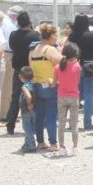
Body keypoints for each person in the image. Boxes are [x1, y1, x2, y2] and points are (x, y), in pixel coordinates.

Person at [5, 12, 40, 134]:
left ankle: (10, 125)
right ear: (29, 22)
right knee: (33, 97)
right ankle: (34, 126)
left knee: (15, 98)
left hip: (18, 70)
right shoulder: (35, 35)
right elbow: (36, 48)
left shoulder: (13, 35)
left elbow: (10, 46)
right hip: (31, 70)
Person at [69, 14, 93, 133]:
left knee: (74, 95)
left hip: (74, 67)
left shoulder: (72, 37)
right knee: (89, 95)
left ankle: (72, 122)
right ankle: (87, 123)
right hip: (90, 67)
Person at [29, 23, 62, 151]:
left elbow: (30, 66)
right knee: (51, 116)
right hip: (49, 85)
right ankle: (53, 143)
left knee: (39, 116)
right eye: (55, 35)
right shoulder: (50, 49)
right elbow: (63, 62)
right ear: (51, 36)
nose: (56, 38)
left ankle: (41, 142)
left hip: (36, 84)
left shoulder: (33, 49)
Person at [56, 42, 82, 156]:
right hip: (74, 96)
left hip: (61, 96)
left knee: (61, 123)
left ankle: (61, 148)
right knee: (74, 123)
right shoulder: (77, 67)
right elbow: (77, 81)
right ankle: (75, 147)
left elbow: (55, 82)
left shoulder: (57, 67)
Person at [0, 5, 23, 121]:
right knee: (7, 86)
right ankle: (5, 113)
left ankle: (8, 111)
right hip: (8, 54)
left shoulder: (5, 23)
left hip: (6, 53)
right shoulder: (9, 26)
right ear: (15, 16)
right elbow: (10, 43)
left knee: (8, 85)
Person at [17, 66, 36, 153]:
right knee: (31, 127)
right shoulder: (34, 84)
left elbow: (28, 96)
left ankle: (31, 145)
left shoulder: (25, 87)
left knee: (27, 128)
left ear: (20, 77)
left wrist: (29, 103)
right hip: (34, 110)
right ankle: (26, 144)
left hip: (26, 110)